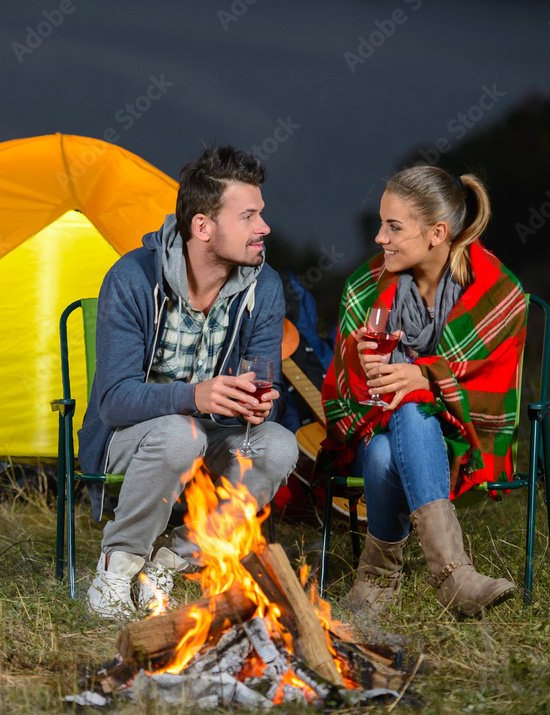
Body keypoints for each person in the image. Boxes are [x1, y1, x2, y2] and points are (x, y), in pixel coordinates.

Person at [78, 145, 299, 618]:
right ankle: (115, 570)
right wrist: (195, 395)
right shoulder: (134, 278)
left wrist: (263, 405)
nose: (263, 227)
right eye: (248, 217)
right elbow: (113, 401)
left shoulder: (264, 287)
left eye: (260, 214)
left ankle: (171, 560)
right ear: (203, 227)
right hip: (128, 435)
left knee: (279, 445)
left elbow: (268, 386)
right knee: (182, 433)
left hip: (214, 431)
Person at [321, 165, 526, 618]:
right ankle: (453, 575)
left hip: (463, 440)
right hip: (377, 430)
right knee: (386, 441)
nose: (380, 237)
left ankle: (377, 582)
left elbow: (490, 387)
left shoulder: (495, 291)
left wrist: (427, 378)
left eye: (394, 227)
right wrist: (362, 367)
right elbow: (343, 395)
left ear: (437, 233)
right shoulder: (365, 286)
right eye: (381, 224)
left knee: (404, 425)